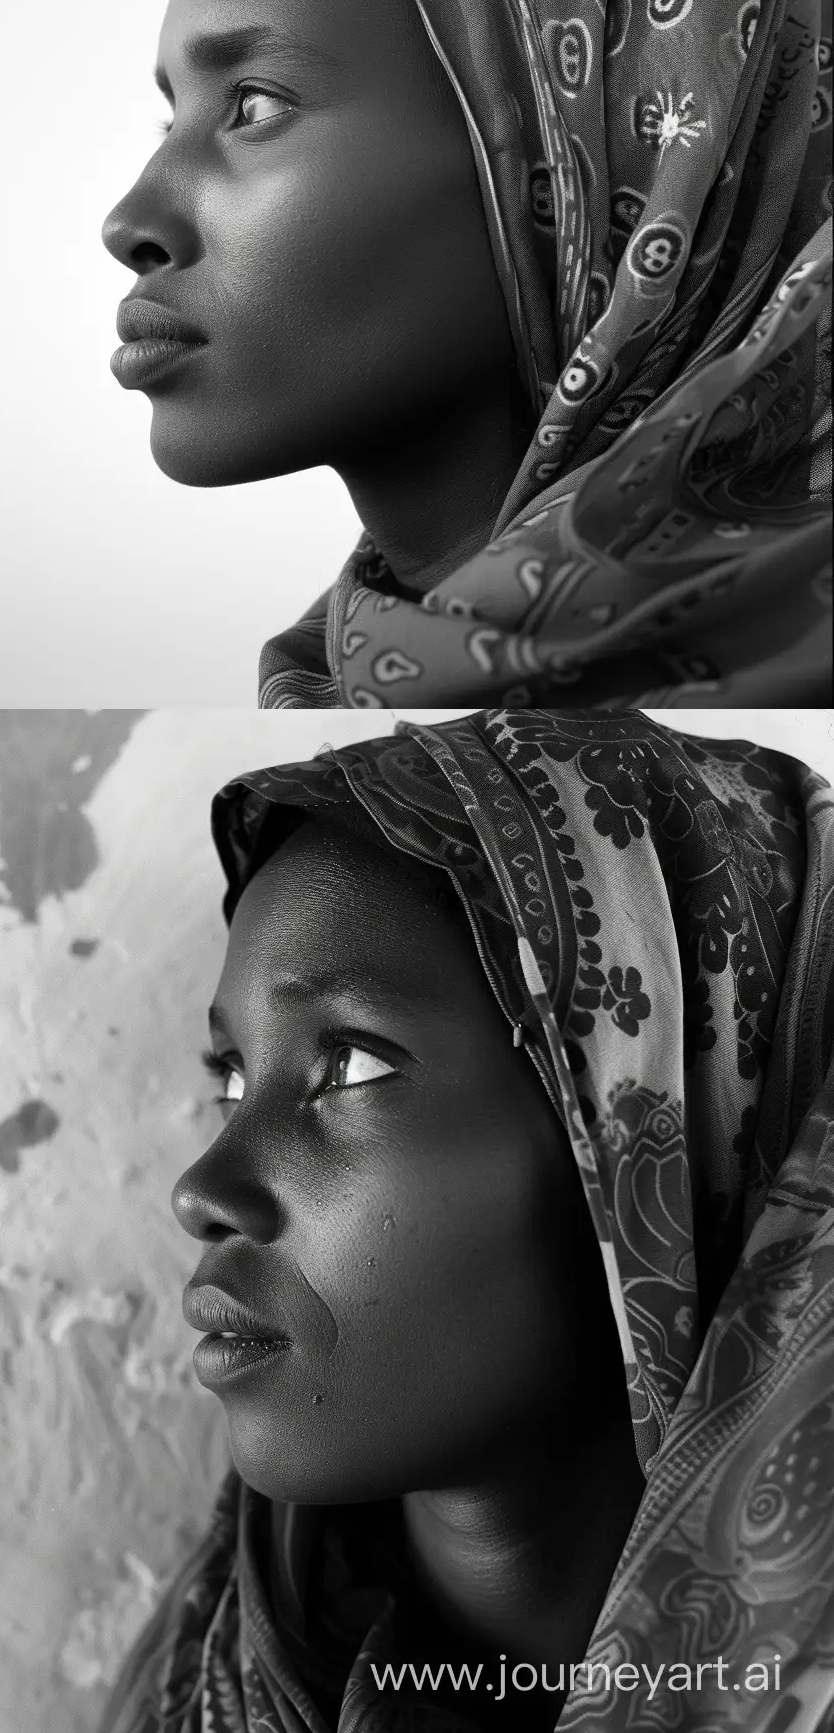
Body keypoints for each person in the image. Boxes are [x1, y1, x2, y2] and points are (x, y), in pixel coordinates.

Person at [103, 711, 834, 1731]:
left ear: (664, 1132)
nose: (202, 1188)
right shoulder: (198, 1690)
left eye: (350, 1063)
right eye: (230, 1076)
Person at [103, 0, 831, 710]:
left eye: (253, 105)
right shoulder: (328, 708)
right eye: (172, 116)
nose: (131, 221)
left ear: (609, 168)